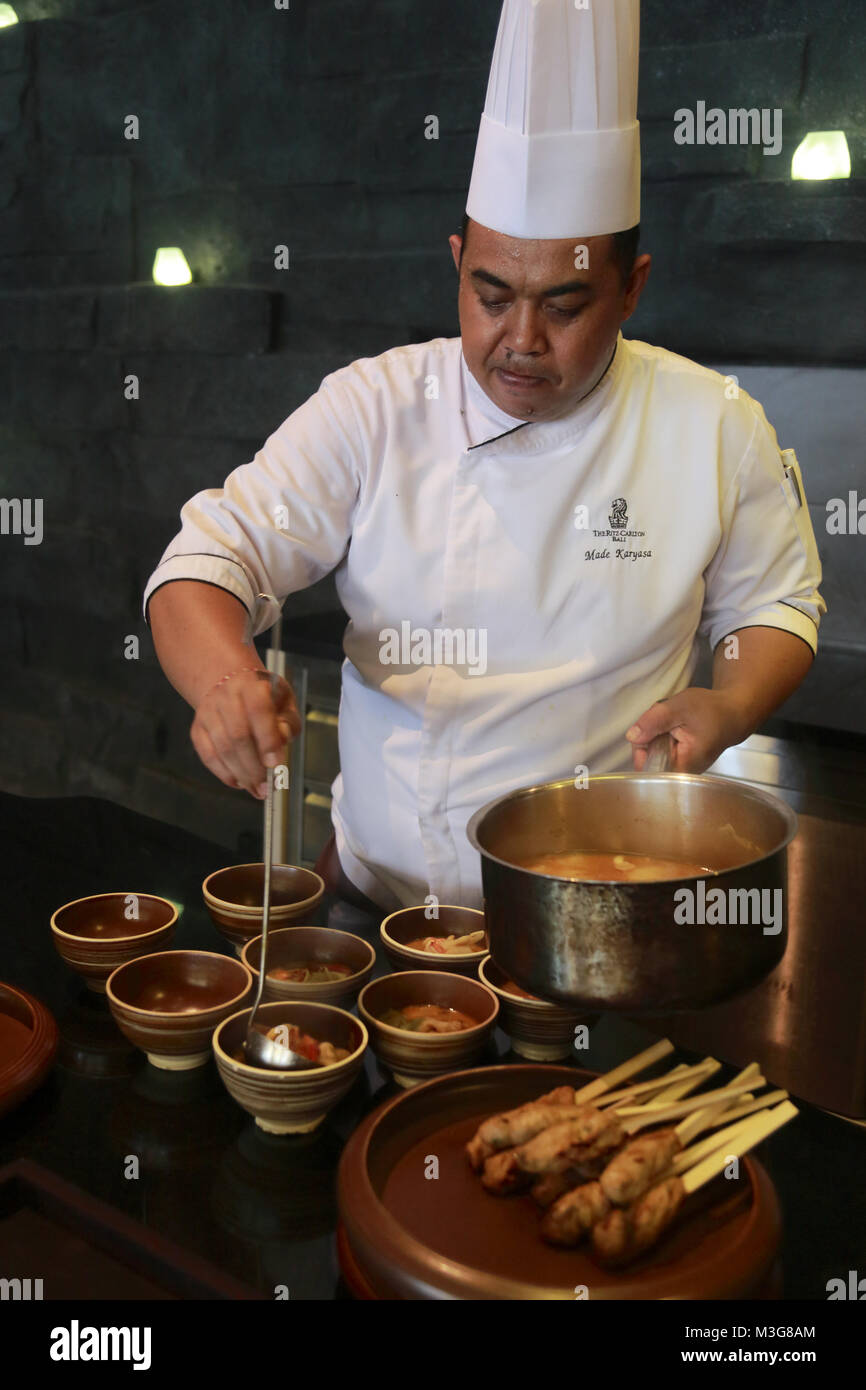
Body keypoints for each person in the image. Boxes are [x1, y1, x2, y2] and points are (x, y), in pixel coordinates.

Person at [144, 0, 824, 913]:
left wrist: (730, 705)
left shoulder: (713, 424)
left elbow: (775, 601)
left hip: (593, 911)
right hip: (374, 898)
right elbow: (207, 562)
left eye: (567, 304)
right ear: (458, 262)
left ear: (633, 288)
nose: (522, 341)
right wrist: (225, 680)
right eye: (491, 294)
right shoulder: (376, 406)